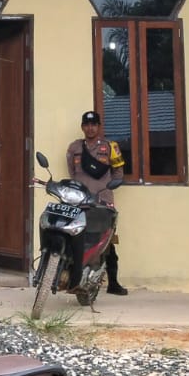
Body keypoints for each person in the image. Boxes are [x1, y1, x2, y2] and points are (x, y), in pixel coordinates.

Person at [66, 109, 128, 295]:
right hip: (80, 202)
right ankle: (74, 280)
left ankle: (113, 283)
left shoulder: (110, 147)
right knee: (76, 239)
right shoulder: (74, 148)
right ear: (82, 127)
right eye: (87, 125)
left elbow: (118, 173)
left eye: (94, 124)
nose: (90, 128)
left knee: (106, 243)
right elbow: (72, 172)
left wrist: (106, 187)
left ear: (99, 127)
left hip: (102, 202)